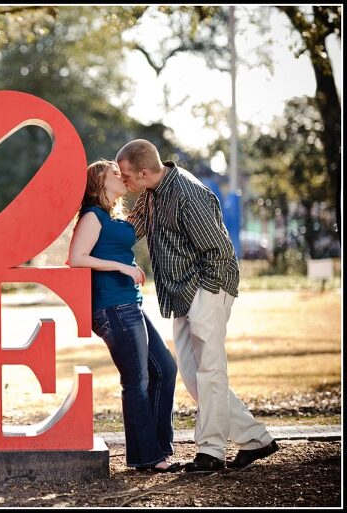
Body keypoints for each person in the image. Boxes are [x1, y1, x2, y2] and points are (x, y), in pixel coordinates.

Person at [115, 139, 279, 473]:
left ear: (144, 172)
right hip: (182, 295)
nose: (124, 181)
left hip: (208, 290)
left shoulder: (188, 194)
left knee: (210, 373)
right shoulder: (150, 194)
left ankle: (211, 452)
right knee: (193, 376)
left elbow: (219, 251)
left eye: (126, 176)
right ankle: (255, 439)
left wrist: (206, 299)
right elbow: (129, 231)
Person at [68, 159, 179, 473]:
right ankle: (148, 458)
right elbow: (76, 258)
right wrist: (122, 267)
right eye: (114, 172)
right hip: (112, 308)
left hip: (130, 305)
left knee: (165, 369)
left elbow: (143, 211)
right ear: (99, 183)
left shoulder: (114, 216)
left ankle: (157, 449)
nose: (121, 174)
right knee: (137, 380)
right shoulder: (93, 215)